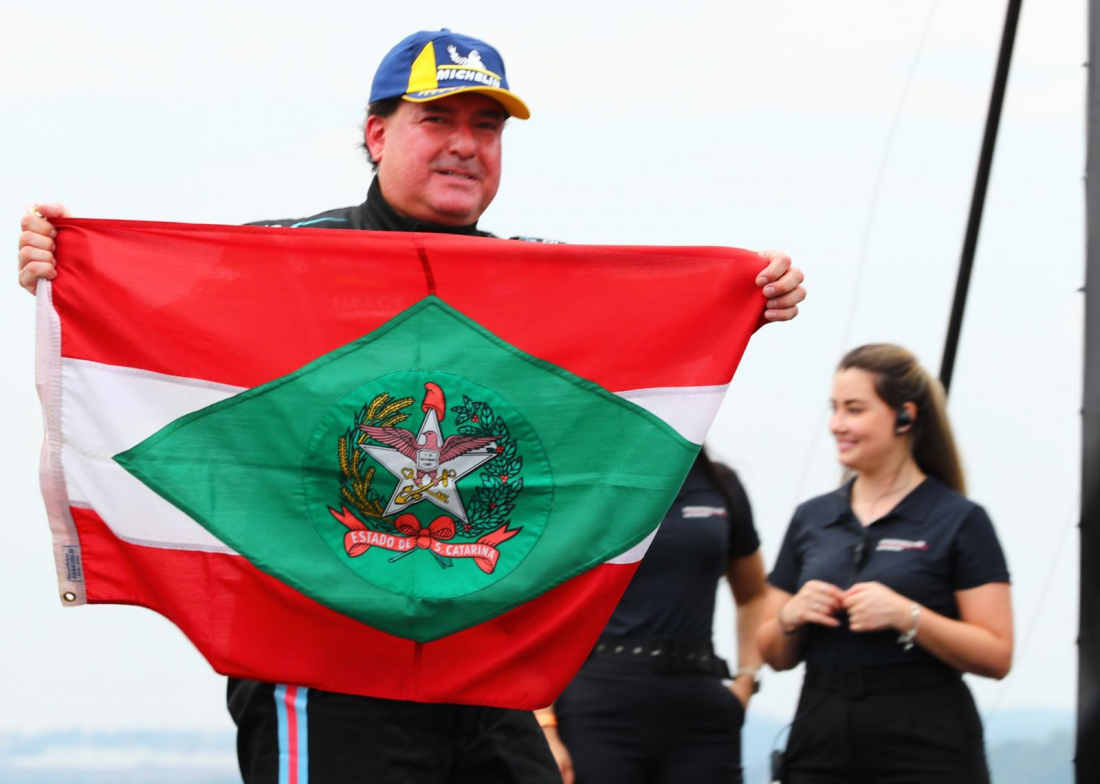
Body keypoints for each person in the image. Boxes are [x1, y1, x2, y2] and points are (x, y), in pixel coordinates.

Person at [18, 28, 806, 784]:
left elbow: (648, 330)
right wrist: (65, 272)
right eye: (437, 119)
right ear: (375, 134)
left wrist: (746, 293)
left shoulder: (536, 285)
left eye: (487, 126)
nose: (466, 143)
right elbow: (147, 319)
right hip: (322, 674)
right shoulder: (286, 262)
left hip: (482, 671)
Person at [757, 344, 1013, 784]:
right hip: (820, 738)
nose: (837, 424)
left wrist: (908, 616)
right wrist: (789, 616)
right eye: (834, 409)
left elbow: (997, 654)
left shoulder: (960, 519)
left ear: (905, 416)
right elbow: (773, 654)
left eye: (854, 410)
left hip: (926, 743)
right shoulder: (812, 518)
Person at [539, 450, 766, 784]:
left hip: (701, 708)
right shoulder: (592, 481)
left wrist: (746, 680)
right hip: (599, 706)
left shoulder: (721, 484)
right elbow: (543, 602)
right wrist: (544, 724)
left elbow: (754, 595)